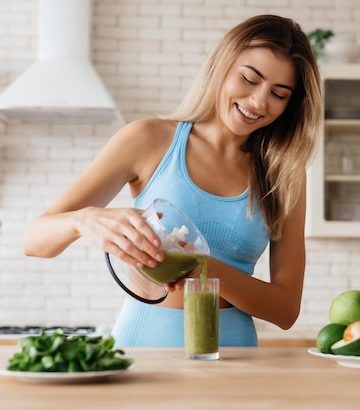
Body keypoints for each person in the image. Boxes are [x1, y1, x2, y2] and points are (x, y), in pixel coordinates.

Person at [23, 14, 323, 347]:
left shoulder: (284, 174)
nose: (258, 102)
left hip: (235, 358)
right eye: (249, 79)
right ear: (222, 66)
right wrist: (84, 220)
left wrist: (199, 268)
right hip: (144, 345)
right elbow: (35, 242)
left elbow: (285, 310)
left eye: (279, 94)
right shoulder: (149, 139)